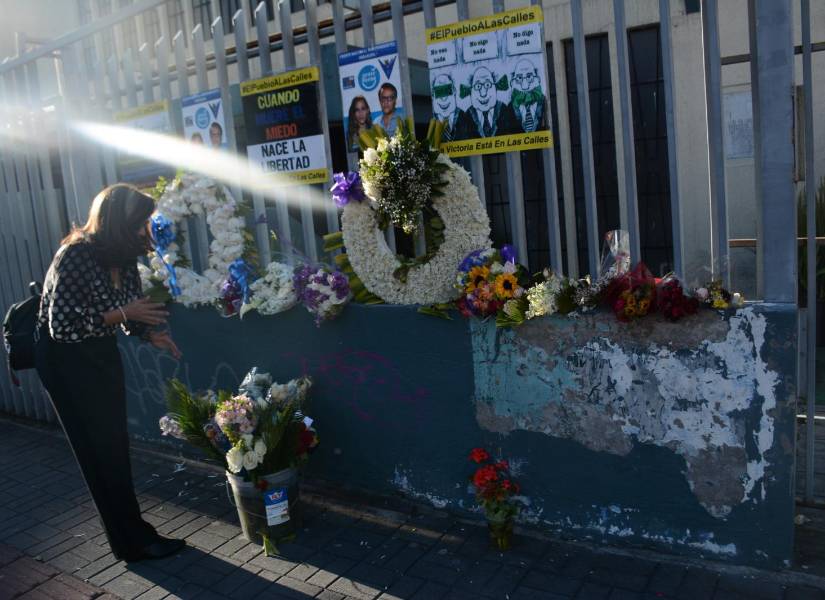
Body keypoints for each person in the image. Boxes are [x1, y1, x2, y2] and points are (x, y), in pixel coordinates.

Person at [35, 184, 184, 563]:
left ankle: (132, 536)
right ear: (119, 221)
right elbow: (63, 327)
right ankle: (132, 542)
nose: (144, 230)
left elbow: (125, 310)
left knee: (114, 447)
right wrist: (125, 316)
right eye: (140, 222)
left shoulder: (122, 254)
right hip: (66, 361)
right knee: (100, 452)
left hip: (98, 352)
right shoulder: (77, 254)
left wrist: (151, 335)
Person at [455, 66, 519, 139]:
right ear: (471, 91)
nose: (483, 94)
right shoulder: (466, 117)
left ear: (495, 87)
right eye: (478, 86)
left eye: (488, 85)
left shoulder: (505, 111)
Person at [509, 59, 546, 133]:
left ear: (537, 79)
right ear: (512, 82)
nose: (524, 86)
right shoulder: (508, 109)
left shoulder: (544, 101)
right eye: (519, 78)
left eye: (529, 77)